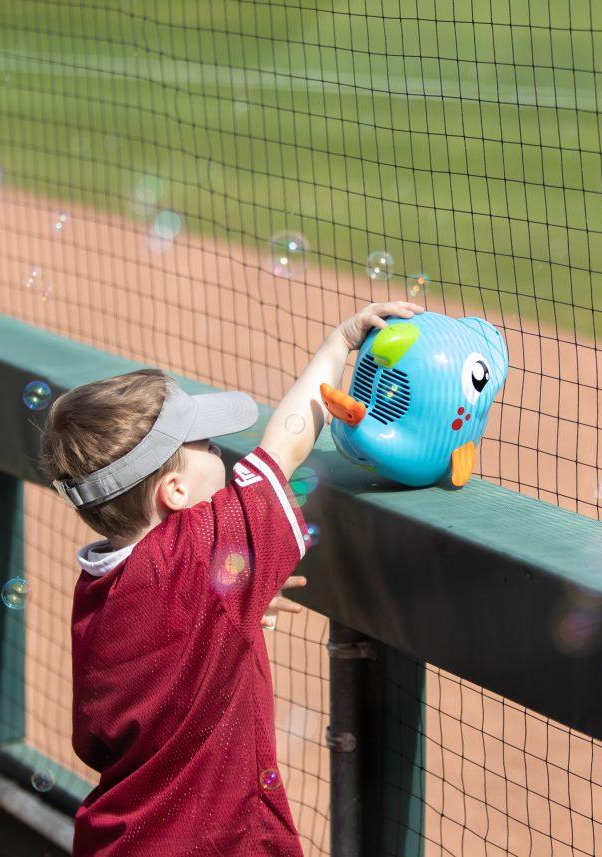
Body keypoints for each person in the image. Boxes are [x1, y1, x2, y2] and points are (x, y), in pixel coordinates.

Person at [39, 301, 423, 855]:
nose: (221, 453)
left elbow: (105, 727)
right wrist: (340, 342)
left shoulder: (100, 586)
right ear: (174, 493)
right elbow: (285, 446)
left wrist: (217, 620)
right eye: (208, 448)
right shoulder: (196, 554)